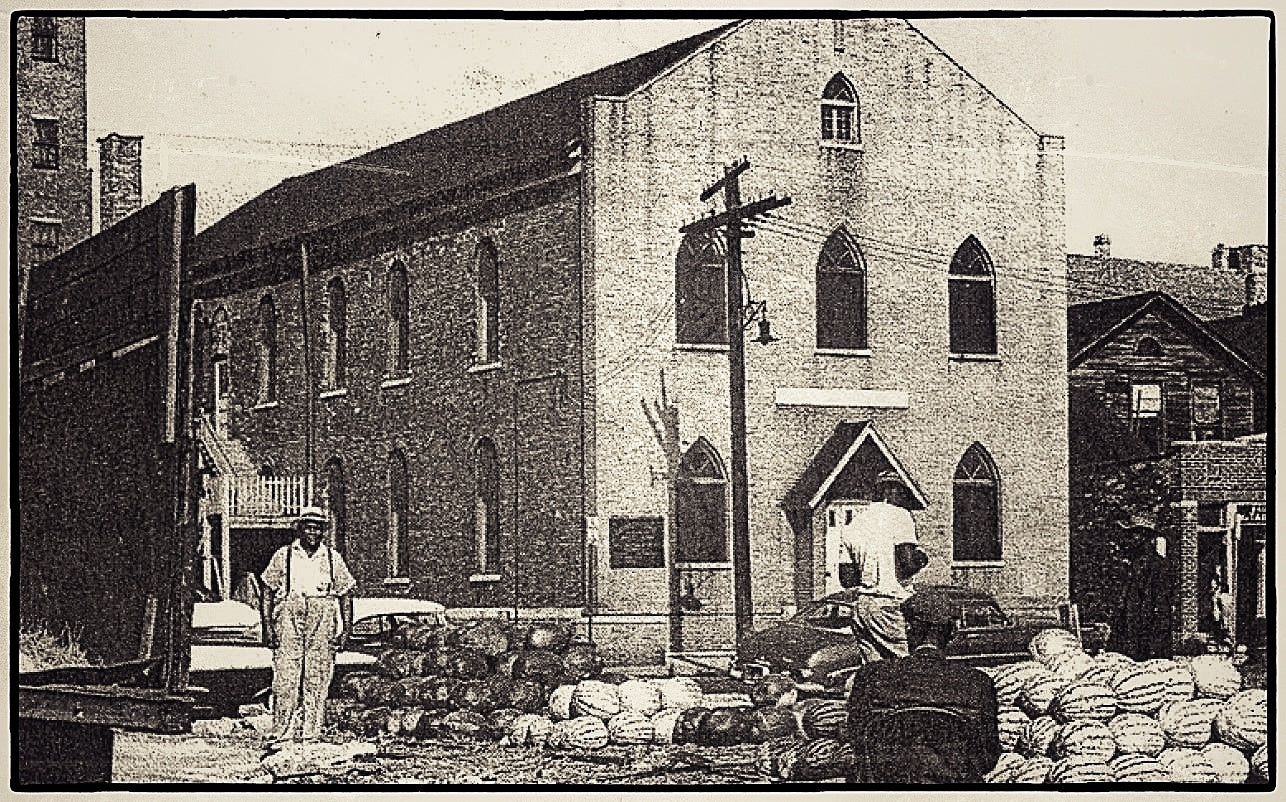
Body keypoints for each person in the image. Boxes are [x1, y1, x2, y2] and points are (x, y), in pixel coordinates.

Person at [846, 587, 1001, 784]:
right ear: (953, 632)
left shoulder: (871, 676)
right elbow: (987, 758)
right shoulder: (977, 683)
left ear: (908, 629)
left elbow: (858, 743)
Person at [260, 506, 356, 745]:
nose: (312, 532)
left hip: (322, 617)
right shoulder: (284, 555)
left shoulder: (333, 558)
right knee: (285, 677)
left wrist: (346, 629)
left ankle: (311, 733)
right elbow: (267, 591)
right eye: (308, 527)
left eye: (317, 528)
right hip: (289, 617)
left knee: (317, 676)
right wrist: (267, 627)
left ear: (323, 531)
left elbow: (345, 594)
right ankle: (282, 732)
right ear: (299, 528)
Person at [837, 470, 928, 663]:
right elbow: (906, 565)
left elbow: (846, 579)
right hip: (891, 605)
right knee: (905, 667)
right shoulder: (901, 516)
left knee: (873, 672)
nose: (903, 498)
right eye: (901, 493)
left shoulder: (854, 524)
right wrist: (921, 559)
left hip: (862, 608)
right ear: (890, 491)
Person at [1110, 512, 1175, 661]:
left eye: (1134, 535)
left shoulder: (1159, 566)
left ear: (1145, 537)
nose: (1130, 540)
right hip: (1132, 636)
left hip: (1148, 638)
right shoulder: (1134, 565)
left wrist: (1152, 643)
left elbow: (1160, 607)